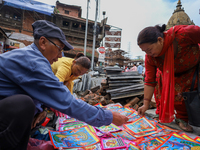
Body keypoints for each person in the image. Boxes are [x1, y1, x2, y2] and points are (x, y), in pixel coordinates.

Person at [0, 20, 128, 150]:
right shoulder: (33, 62)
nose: (60, 56)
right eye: (59, 49)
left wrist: (42, 108)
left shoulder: (34, 57)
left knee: (35, 108)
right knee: (24, 104)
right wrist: (109, 116)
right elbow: (66, 101)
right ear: (43, 42)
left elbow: (50, 93)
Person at [137, 24, 200, 132]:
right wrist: (145, 104)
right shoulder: (150, 58)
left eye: (149, 49)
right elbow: (150, 80)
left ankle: (187, 117)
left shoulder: (184, 33)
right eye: (145, 52)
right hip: (170, 76)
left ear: (160, 40)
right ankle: (179, 118)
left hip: (194, 70)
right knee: (174, 94)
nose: (148, 54)